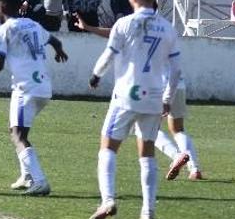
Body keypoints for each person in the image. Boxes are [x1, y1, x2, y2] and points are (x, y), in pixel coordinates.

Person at [86, 0, 181, 219]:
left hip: (126, 96)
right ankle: (148, 212)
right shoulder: (167, 28)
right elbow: (176, 70)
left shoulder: (124, 24)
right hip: (153, 97)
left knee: (107, 148)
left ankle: (107, 200)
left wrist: (96, 75)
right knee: (147, 152)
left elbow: (109, 55)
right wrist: (168, 99)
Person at [0, 0, 69, 196]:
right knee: (16, 131)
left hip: (25, 88)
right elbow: (55, 41)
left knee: (18, 135)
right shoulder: (33, 24)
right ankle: (26, 176)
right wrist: (59, 52)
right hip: (43, 87)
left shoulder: (4, 30)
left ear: (1, 7)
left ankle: (39, 181)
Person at [77, 19, 204, 182]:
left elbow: (114, 34)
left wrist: (89, 27)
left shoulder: (135, 24)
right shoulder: (164, 27)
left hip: (156, 84)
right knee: (178, 129)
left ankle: (177, 155)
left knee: (145, 129)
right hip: (177, 82)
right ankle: (195, 169)